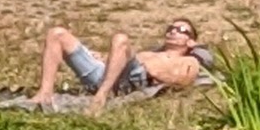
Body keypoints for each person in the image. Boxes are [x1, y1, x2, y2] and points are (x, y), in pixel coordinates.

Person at [33, 15, 214, 103]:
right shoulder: (152, 52)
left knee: (121, 39)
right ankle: (45, 93)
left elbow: (183, 78)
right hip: (105, 74)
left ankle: (101, 96)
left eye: (181, 30)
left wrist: (153, 71)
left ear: (191, 41)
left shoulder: (190, 60)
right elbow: (123, 61)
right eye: (170, 28)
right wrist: (103, 57)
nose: (173, 31)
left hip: (128, 81)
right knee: (56, 34)